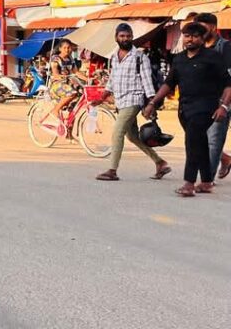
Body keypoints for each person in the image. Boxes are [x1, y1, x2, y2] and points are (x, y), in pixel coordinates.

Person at [143, 22, 231, 197]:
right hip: (185, 109)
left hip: (206, 108)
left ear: (202, 38)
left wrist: (223, 106)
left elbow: (228, 84)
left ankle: (189, 183)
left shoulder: (212, 57)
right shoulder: (179, 59)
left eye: (195, 36)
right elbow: (169, 83)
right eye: (187, 36)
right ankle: (206, 182)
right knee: (200, 143)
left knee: (191, 143)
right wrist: (153, 102)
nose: (190, 39)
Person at [92, 23, 170, 181]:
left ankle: (112, 170)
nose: (125, 39)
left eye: (128, 36)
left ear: (132, 37)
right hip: (120, 101)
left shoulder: (140, 57)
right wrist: (102, 97)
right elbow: (112, 79)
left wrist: (151, 103)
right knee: (132, 136)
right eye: (122, 36)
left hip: (134, 99)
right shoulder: (114, 56)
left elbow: (147, 81)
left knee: (117, 132)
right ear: (116, 38)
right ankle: (160, 162)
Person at [193, 13, 231, 180]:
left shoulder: (226, 47)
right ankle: (224, 161)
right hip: (203, 101)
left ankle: (206, 180)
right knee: (202, 138)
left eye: (202, 28)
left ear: (213, 28)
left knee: (213, 140)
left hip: (222, 99)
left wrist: (223, 105)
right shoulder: (198, 48)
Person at [46, 39, 86, 124]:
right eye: (64, 48)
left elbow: (76, 72)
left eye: (69, 48)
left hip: (68, 83)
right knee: (72, 93)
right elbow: (55, 73)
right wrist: (61, 76)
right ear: (60, 48)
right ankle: (55, 110)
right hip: (56, 85)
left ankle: (68, 127)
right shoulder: (55, 58)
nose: (67, 50)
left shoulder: (70, 58)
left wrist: (87, 79)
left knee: (78, 101)